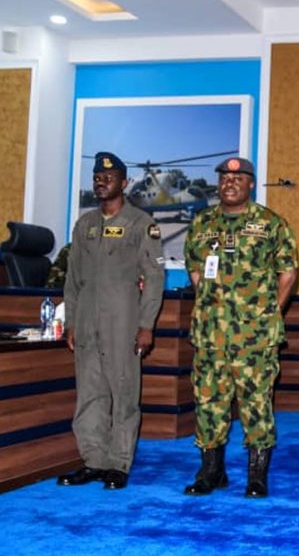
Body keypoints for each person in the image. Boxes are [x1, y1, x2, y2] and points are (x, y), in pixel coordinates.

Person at [182, 157, 298, 499]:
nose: (229, 183)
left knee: (256, 402)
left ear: (251, 184)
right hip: (210, 333)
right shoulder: (202, 223)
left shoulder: (270, 224)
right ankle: (211, 471)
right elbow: (195, 270)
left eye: (237, 178)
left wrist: (268, 313)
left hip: (255, 336)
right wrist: (211, 305)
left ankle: (256, 477)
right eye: (224, 178)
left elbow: (288, 273)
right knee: (208, 401)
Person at [57, 152, 164, 490]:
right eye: (97, 178)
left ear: (124, 183)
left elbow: (154, 278)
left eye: (109, 177)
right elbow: (72, 279)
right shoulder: (85, 224)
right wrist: (71, 322)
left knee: (124, 393)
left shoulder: (141, 224)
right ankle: (94, 461)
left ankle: (118, 464)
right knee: (90, 394)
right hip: (86, 323)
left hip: (123, 323)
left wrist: (146, 325)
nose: (101, 182)